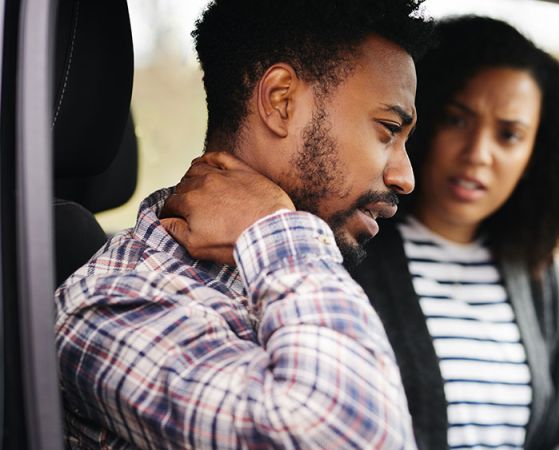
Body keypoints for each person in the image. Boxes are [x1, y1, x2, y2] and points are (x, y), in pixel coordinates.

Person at [54, 0, 431, 448]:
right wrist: (272, 228)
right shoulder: (115, 304)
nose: (405, 178)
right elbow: (350, 435)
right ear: (280, 102)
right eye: (388, 129)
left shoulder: (300, 275)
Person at [353, 16, 559, 450]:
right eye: (457, 120)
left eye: (509, 135)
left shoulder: (534, 273)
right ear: (419, 121)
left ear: (536, 154)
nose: (477, 154)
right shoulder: (356, 248)